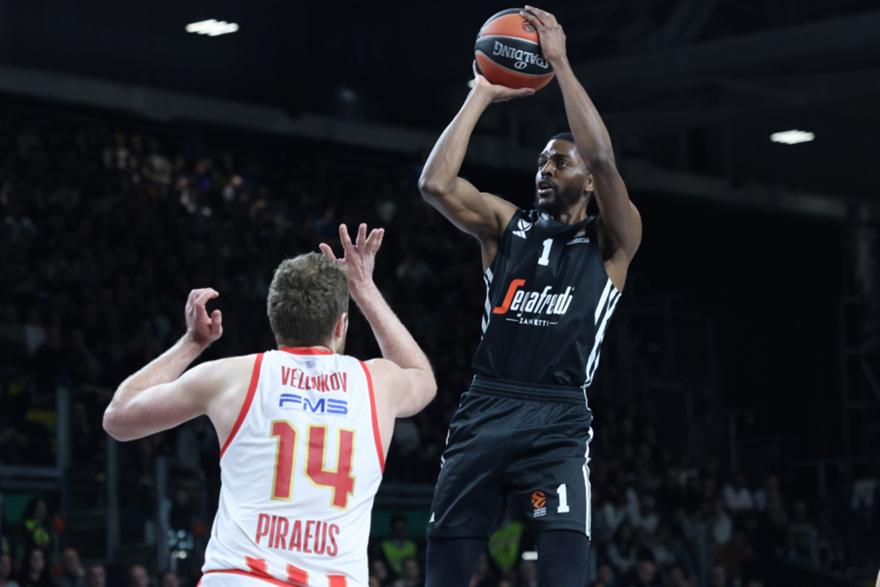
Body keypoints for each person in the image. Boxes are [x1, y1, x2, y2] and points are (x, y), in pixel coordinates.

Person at [418, 6, 642, 586]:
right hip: (486, 405)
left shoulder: (613, 241)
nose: (544, 169)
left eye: (559, 162)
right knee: (445, 572)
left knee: (563, 573)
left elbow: (603, 158)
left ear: (587, 182)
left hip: (558, 416)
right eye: (540, 161)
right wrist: (480, 94)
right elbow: (435, 184)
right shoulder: (505, 225)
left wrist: (560, 64)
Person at [103, 223, 436, 587]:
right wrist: (364, 289)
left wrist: (192, 343)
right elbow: (422, 376)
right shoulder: (377, 382)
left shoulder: (232, 376)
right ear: (341, 326)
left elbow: (119, 418)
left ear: (275, 319)